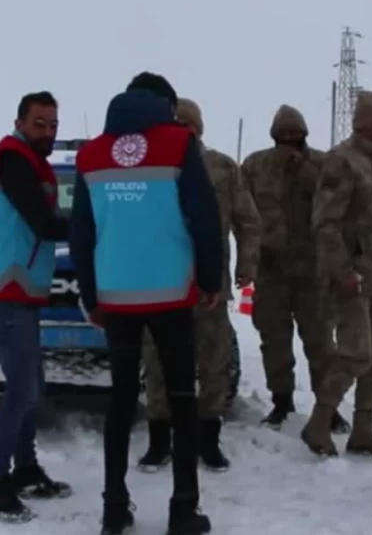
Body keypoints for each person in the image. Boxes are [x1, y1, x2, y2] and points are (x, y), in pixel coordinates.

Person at [70, 72, 224, 535]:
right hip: (171, 294)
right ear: (164, 105)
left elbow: (82, 234)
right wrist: (211, 278)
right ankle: (183, 508)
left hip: (116, 297)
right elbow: (203, 216)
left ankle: (114, 508)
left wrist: (91, 295)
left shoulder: (91, 153)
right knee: (181, 396)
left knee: (119, 401)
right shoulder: (179, 145)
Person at [138, 97, 260, 474]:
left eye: (188, 126)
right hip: (159, 286)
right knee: (156, 364)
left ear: (199, 129)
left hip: (209, 288)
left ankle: (209, 440)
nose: (183, 133)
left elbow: (249, 220)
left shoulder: (222, 168)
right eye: (176, 125)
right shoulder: (151, 168)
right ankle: (160, 442)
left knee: (213, 364)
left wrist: (246, 265)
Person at [0, 91, 73, 522]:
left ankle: (25, 469)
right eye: (39, 123)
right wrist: (93, 228)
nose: (47, 131)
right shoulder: (13, 159)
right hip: (5, 295)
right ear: (20, 121)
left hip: (21, 295)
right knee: (21, 391)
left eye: (52, 125)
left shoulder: (33, 161)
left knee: (31, 385)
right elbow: (43, 222)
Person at [301, 90, 372, 459]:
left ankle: (363, 430)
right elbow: (325, 223)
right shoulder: (342, 162)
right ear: (368, 122)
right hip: (351, 277)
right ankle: (319, 422)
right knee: (356, 353)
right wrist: (341, 271)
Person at [240, 105, 348, 433]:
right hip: (271, 270)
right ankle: (281, 401)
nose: (289, 139)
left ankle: (327, 407)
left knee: (320, 343)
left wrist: (304, 171)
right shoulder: (255, 166)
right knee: (274, 340)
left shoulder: (322, 163)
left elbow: (335, 201)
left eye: (294, 133)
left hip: (313, 270)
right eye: (283, 134)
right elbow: (244, 215)